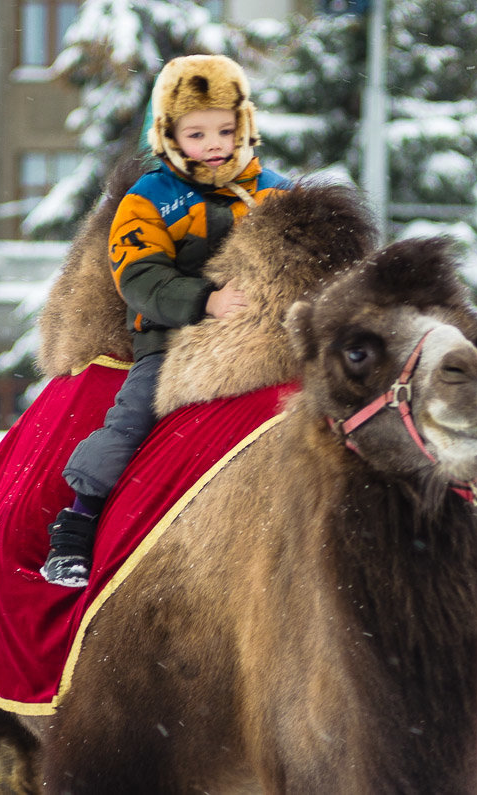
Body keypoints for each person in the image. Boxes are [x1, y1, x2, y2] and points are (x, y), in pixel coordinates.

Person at [42, 53, 291, 588]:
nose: (215, 144)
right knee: (131, 416)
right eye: (198, 133)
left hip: (266, 337)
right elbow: (140, 276)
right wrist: (205, 300)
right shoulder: (150, 199)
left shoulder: (274, 191)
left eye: (226, 129)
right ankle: (78, 521)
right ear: (169, 134)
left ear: (245, 125)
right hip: (174, 340)